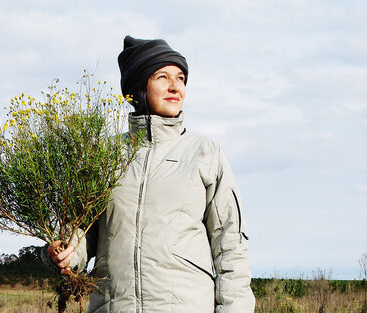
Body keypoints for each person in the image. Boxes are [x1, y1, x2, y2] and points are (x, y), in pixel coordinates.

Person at [42, 35, 255, 313]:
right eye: (162, 77)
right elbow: (85, 236)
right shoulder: (104, 156)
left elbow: (231, 245)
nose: (174, 87)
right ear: (139, 87)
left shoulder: (206, 153)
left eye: (180, 78)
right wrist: (63, 253)